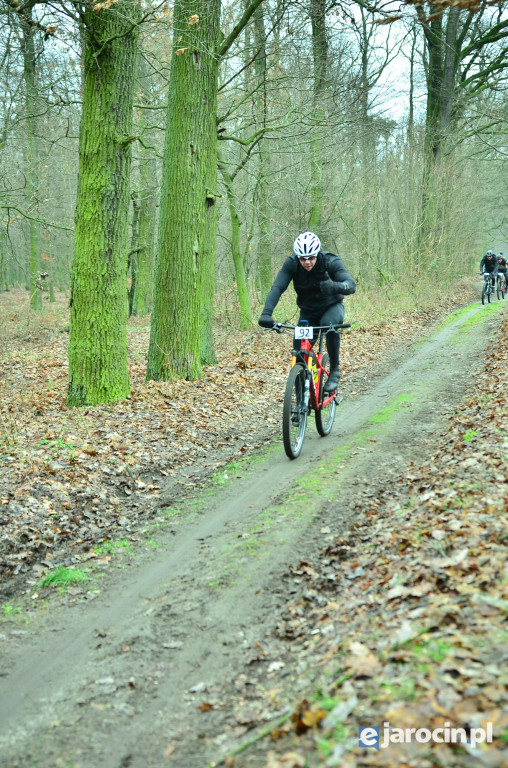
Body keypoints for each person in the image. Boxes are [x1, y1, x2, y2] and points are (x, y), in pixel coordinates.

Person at [258, 231, 356, 392]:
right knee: (299, 355)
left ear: (317, 254)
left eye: (311, 257)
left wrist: (334, 287)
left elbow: (350, 285)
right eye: (303, 258)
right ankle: (301, 402)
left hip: (331, 307)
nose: (307, 262)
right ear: (297, 257)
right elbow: (277, 288)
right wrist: (266, 313)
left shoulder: (330, 261)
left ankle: (334, 371)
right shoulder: (291, 263)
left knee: (328, 325)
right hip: (308, 313)